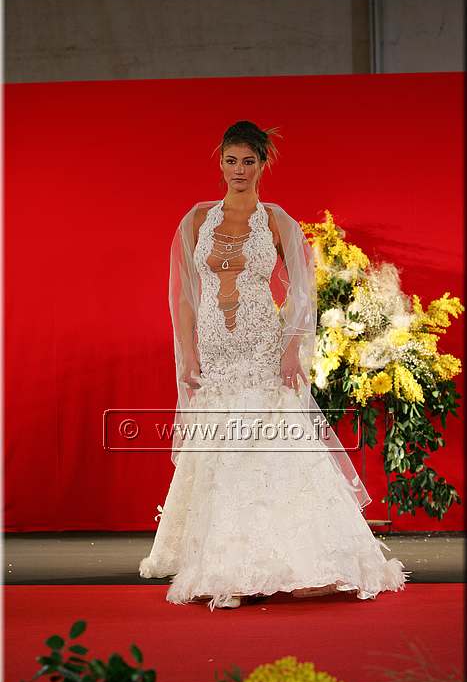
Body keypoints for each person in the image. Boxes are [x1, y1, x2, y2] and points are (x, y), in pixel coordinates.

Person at [139, 120, 410, 611]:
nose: (239, 170)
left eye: (248, 161)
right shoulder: (195, 220)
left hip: (263, 348)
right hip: (217, 351)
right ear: (220, 162)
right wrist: (188, 352)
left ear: (263, 165)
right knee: (223, 447)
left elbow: (303, 289)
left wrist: (291, 348)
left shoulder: (277, 220)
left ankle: (298, 560)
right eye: (231, 161)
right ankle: (227, 565)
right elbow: (182, 297)